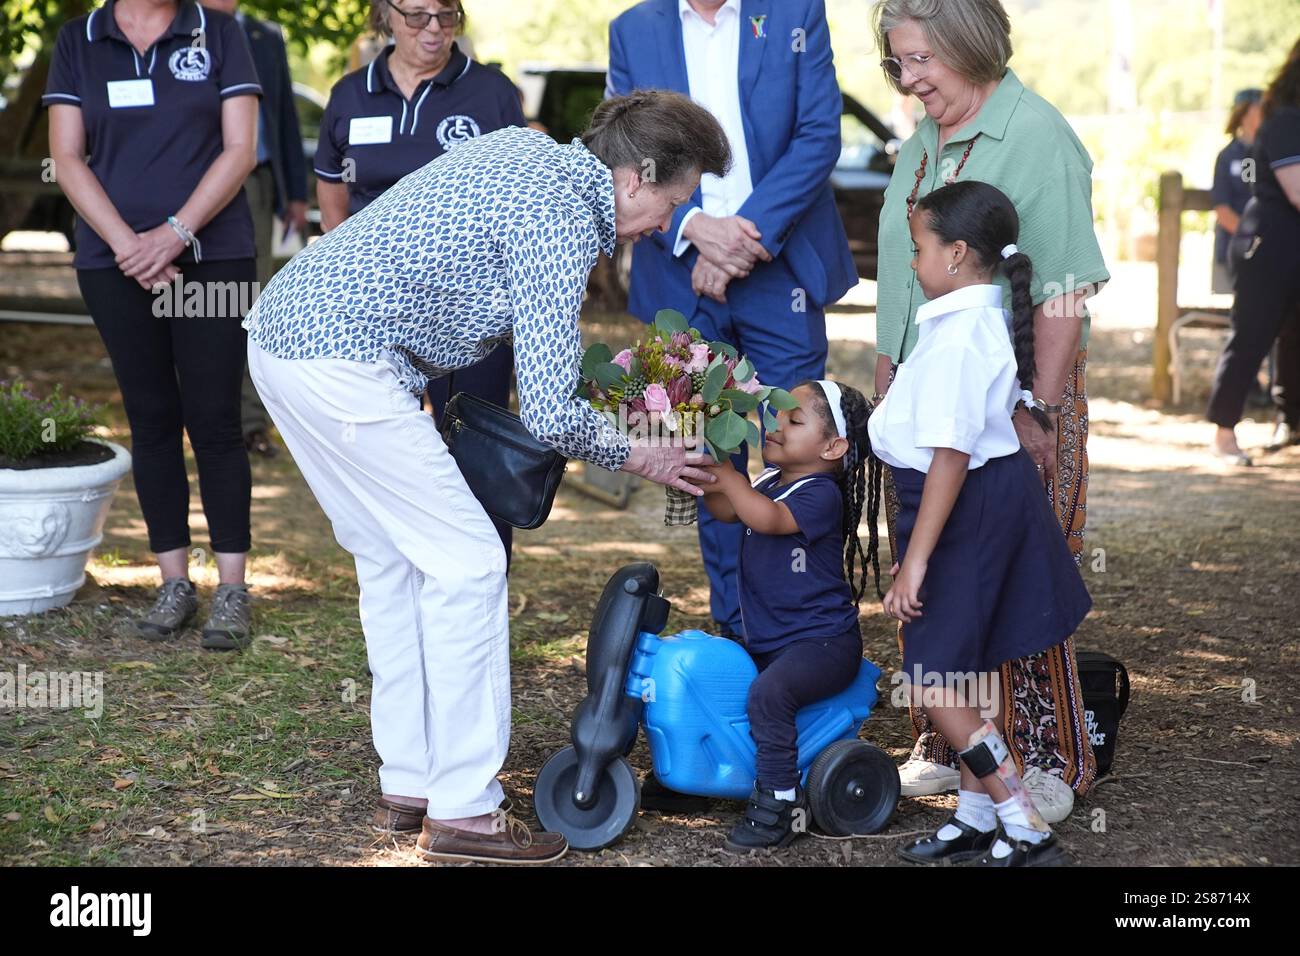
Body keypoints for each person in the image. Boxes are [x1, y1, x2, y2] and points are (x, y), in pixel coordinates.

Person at [242, 91, 730, 864]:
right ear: (637, 176)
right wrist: (643, 453)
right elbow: (546, 410)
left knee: (396, 559)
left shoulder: (528, 150)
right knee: (469, 561)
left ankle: (411, 780)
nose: (668, 223)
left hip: (284, 337)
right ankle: (465, 812)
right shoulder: (561, 219)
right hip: (339, 360)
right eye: (673, 201)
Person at [871, 0, 1109, 822]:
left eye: (919, 61)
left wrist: (1035, 408)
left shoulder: (1037, 134)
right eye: (896, 64)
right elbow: (906, 275)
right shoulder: (925, 138)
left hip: (1012, 402)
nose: (908, 79)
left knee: (1017, 580)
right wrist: (888, 367)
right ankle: (956, 748)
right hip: (930, 384)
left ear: (966, 44)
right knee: (944, 579)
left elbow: (1063, 288)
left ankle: (1051, 760)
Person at [607, 0, 857, 647]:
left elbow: (819, 134)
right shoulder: (633, 31)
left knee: (796, 448)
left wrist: (745, 237)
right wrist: (694, 229)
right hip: (676, 271)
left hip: (782, 265)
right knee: (703, 455)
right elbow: (625, 156)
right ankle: (738, 623)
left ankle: (807, 629)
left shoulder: (797, 9)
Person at [872, 180, 1091, 866]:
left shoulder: (963, 336)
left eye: (918, 248)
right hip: (979, 502)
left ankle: (1020, 820)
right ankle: (973, 816)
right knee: (964, 671)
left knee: (934, 677)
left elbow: (950, 457)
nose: (911, 263)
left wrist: (915, 562)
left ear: (958, 253)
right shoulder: (961, 323)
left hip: (963, 508)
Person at [44, 0, 261, 649]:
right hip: (113, 265)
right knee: (151, 416)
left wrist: (173, 234)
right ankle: (173, 581)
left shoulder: (219, 31)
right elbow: (67, 157)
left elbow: (241, 147)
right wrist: (128, 248)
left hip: (214, 258)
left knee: (216, 418)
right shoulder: (78, 39)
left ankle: (232, 588)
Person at [314, 0, 528, 560]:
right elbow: (333, 200)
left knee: (477, 449)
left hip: (470, 309)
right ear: (386, 15)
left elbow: (521, 197)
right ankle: (409, 576)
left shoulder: (491, 93)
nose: (433, 30)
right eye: (416, 16)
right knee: (390, 451)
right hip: (377, 311)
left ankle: (483, 588)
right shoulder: (349, 93)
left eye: (446, 15)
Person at [699, 379, 881, 852]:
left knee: (769, 694)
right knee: (722, 682)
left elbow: (768, 519)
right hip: (773, 640)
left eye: (794, 420)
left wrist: (735, 482)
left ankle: (780, 799)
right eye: (775, 415)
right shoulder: (765, 482)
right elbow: (724, 509)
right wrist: (713, 460)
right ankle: (702, 774)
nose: (775, 425)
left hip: (824, 643)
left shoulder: (821, 493)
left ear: (833, 446)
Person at [200, 0, 309, 459]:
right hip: (195, 185)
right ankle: (200, 417)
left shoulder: (265, 36)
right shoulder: (179, 31)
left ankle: (248, 423)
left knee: (251, 305)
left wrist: (296, 194)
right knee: (196, 304)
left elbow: (283, 115)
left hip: (258, 185)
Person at [1208, 40, 1300, 464]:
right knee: (1251, 337)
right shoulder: (1283, 122)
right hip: (1268, 248)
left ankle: (1292, 422)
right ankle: (1225, 433)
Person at [1211, 89, 1262, 296]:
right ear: (1245, 113)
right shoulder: (1228, 157)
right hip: (1238, 248)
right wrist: (1253, 237)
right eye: (1261, 107)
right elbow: (1223, 210)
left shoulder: (1269, 152)